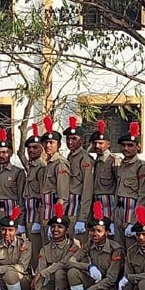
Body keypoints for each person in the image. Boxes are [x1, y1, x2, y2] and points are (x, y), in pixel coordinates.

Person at [65, 202, 124, 290]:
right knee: (73, 273)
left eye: (99, 231)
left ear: (107, 232)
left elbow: (111, 279)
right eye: (92, 230)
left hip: (111, 287)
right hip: (96, 282)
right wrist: (88, 267)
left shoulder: (115, 249)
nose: (94, 234)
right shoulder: (89, 245)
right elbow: (70, 262)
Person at [29, 203, 82, 290]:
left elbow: (64, 263)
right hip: (54, 286)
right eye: (53, 227)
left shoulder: (74, 245)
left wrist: (44, 273)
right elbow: (39, 270)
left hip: (72, 285)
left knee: (59, 272)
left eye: (60, 227)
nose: (55, 229)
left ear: (67, 230)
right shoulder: (45, 249)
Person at [0, 129, 25, 240]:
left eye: (5, 152)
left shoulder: (18, 172)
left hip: (12, 213)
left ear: (11, 153)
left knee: (13, 247)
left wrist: (20, 222)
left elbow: (21, 198)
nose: (1, 155)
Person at [115, 122, 145, 249]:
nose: (126, 148)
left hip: (131, 211)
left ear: (137, 147)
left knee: (131, 248)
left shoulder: (141, 166)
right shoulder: (121, 165)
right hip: (118, 211)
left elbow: (143, 195)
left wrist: (134, 221)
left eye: (130, 145)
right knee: (118, 249)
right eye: (123, 145)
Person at [40, 116, 70, 244]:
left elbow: (62, 196)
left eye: (51, 142)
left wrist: (56, 221)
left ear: (58, 144)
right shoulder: (49, 163)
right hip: (45, 211)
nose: (48, 145)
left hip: (53, 212)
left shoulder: (60, 164)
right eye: (46, 142)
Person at [63, 116, 94, 237]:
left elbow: (87, 189)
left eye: (74, 139)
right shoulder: (69, 157)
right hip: (68, 208)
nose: (70, 142)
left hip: (78, 208)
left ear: (82, 140)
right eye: (68, 139)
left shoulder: (85, 159)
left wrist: (82, 218)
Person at [88, 120, 120, 235]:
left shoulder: (113, 160)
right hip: (96, 205)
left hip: (109, 205)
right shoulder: (94, 162)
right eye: (95, 143)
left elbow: (119, 185)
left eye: (101, 143)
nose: (97, 146)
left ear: (108, 144)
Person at [23, 123, 46, 271]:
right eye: (29, 148)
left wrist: (38, 220)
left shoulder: (42, 168)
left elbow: (44, 197)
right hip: (29, 216)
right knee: (31, 252)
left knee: (38, 252)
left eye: (35, 147)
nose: (31, 150)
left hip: (37, 216)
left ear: (42, 148)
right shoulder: (31, 167)